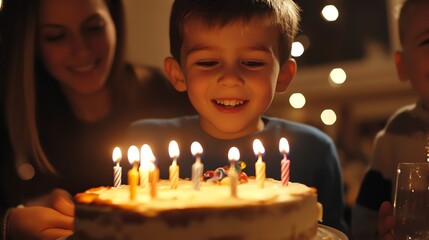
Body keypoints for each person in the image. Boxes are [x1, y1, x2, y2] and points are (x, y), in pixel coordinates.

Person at [126, 0, 349, 234]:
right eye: (208, 62)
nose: (230, 78)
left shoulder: (313, 151)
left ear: (283, 75)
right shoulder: (147, 145)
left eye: (252, 63)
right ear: (178, 74)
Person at [0, 0, 195, 239]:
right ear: (32, 44)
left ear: (114, 23)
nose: (81, 50)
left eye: (93, 28)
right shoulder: (11, 117)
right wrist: (9, 222)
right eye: (56, 36)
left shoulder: (171, 96)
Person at [352, 0, 429, 239]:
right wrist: (379, 231)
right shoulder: (394, 136)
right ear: (402, 65)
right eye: (428, 41)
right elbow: (363, 225)